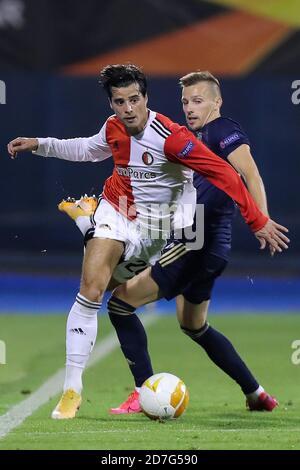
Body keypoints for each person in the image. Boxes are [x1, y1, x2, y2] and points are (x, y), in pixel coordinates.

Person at [8, 65, 289, 420]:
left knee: (143, 306)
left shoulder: (174, 137)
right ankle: (72, 390)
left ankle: (85, 221)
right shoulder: (113, 127)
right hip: (118, 212)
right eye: (119, 101)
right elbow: (88, 149)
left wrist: (257, 220)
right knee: (91, 290)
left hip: (155, 234)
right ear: (112, 103)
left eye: (134, 100)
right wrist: (41, 144)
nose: (127, 109)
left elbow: (226, 175)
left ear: (146, 98)